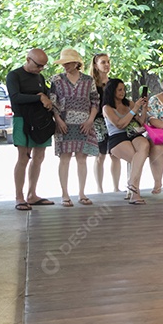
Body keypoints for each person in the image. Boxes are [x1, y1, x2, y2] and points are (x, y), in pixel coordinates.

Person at [49, 48, 100, 207]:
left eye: (68, 62)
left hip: (84, 125)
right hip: (64, 124)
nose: (65, 65)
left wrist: (90, 120)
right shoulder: (57, 80)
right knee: (64, 158)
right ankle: (64, 194)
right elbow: (53, 102)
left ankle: (82, 193)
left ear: (76, 63)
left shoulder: (88, 80)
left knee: (82, 159)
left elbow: (95, 101)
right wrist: (58, 120)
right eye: (63, 63)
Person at [7, 49, 56, 210]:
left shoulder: (39, 77)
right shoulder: (14, 75)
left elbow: (47, 95)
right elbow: (15, 97)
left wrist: (46, 97)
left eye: (43, 66)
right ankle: (19, 196)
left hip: (40, 121)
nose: (40, 69)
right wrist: (39, 97)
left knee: (39, 156)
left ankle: (32, 194)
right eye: (38, 65)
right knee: (23, 157)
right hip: (22, 119)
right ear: (28, 59)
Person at [100, 78, 150, 204]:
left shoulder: (129, 103)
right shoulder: (107, 108)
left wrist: (144, 108)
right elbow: (119, 124)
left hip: (133, 133)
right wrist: (134, 109)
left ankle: (132, 184)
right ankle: (135, 194)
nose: (123, 92)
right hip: (117, 136)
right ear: (112, 91)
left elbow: (141, 122)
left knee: (144, 146)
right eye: (119, 90)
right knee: (135, 158)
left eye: (124, 89)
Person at [90, 53, 121, 193]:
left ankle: (116, 187)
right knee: (100, 155)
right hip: (98, 122)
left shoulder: (113, 83)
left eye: (108, 62)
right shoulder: (90, 84)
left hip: (113, 120)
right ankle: (99, 188)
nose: (107, 65)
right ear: (96, 65)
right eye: (103, 62)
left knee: (116, 154)